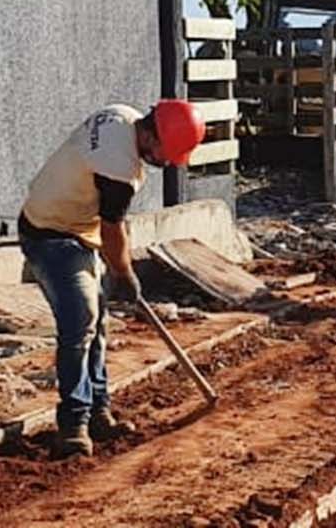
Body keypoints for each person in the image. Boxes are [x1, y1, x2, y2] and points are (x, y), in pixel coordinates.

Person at [19, 100, 205, 457]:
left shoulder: (124, 116)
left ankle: (98, 409)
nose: (167, 163)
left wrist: (116, 269)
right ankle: (73, 422)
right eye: (167, 154)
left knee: (97, 324)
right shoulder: (118, 166)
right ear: (153, 136)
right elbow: (113, 229)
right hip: (48, 233)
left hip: (76, 229)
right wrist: (125, 272)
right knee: (80, 322)